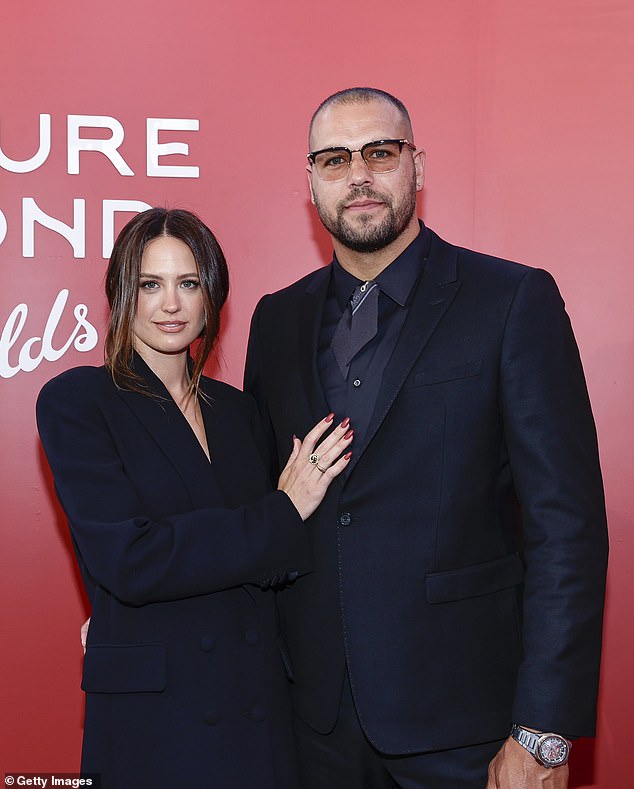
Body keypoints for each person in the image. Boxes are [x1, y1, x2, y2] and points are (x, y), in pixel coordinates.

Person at [244, 88, 608, 788]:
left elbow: (568, 527)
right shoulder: (275, 319)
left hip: (467, 727)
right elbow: (260, 508)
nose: (358, 175)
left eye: (380, 152)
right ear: (310, 180)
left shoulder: (511, 300)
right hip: (310, 725)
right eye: (334, 159)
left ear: (417, 165)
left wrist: (544, 731)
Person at [36, 208, 353, 789]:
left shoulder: (239, 411)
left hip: (257, 705)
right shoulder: (79, 402)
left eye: (189, 283)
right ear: (121, 294)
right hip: (154, 719)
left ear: (213, 295)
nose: (171, 304)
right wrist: (281, 512)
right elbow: (132, 560)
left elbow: (280, 564)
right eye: (150, 285)